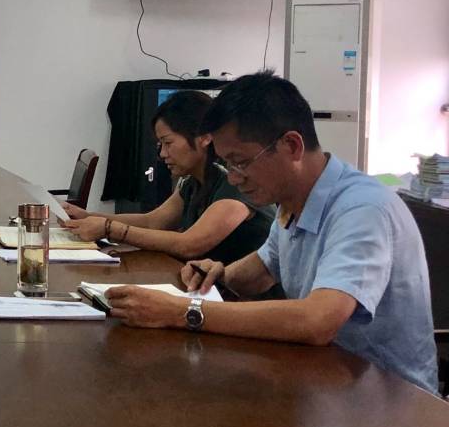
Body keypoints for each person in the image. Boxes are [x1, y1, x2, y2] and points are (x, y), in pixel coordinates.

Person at [105, 72, 438, 395]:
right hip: (324, 379)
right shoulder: (292, 201)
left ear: (291, 145)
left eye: (240, 162)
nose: (233, 178)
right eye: (227, 164)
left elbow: (318, 320)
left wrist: (181, 312)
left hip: (387, 400)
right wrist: (217, 274)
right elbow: (260, 271)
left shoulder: (362, 208)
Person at [63, 90, 272, 265]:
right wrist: (88, 216)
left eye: (168, 143)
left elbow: (190, 244)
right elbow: (153, 222)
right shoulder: (194, 181)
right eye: (160, 145)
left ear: (204, 137)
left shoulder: (234, 181)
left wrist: (109, 229)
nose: (162, 154)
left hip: (243, 295)